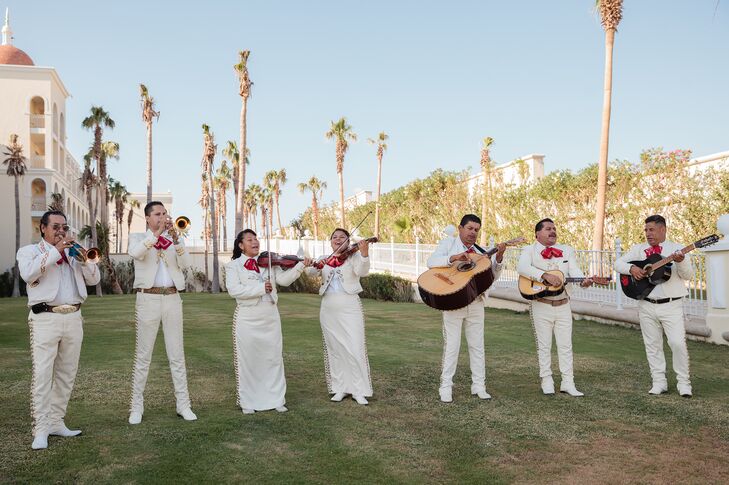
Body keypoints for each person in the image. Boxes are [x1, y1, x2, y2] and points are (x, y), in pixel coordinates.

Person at [17, 210, 100, 450]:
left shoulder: (74, 253)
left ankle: (56, 421)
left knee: (67, 373)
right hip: (45, 318)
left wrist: (84, 259)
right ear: (43, 228)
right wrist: (57, 251)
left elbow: (94, 280)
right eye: (55, 226)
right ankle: (41, 428)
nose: (61, 231)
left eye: (64, 226)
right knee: (43, 374)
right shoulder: (29, 252)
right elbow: (28, 274)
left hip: (74, 317)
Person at [225, 229, 312, 413]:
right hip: (248, 317)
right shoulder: (233, 266)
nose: (255, 242)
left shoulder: (269, 262)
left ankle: (276, 399)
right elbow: (234, 290)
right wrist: (260, 288)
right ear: (241, 245)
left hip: (270, 316)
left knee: (273, 358)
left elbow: (284, 280)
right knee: (249, 360)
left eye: (256, 239)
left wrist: (300, 266)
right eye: (250, 240)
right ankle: (248, 402)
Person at [127, 201, 196, 424]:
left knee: (177, 355)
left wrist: (176, 241)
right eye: (157, 214)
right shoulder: (139, 238)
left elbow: (186, 264)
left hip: (173, 298)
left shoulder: (173, 239)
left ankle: (183, 405)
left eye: (164, 213)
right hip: (148, 298)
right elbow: (136, 254)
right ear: (147, 218)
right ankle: (136, 407)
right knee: (143, 356)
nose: (162, 217)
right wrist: (155, 235)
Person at [426, 214, 505, 403]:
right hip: (453, 302)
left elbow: (493, 276)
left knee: (477, 346)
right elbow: (431, 262)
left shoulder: (481, 251)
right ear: (460, 228)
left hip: (476, 303)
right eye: (470, 228)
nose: (473, 233)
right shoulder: (448, 244)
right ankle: (446, 386)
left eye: (476, 230)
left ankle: (479, 386)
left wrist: (499, 258)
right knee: (452, 346)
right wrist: (453, 258)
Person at [615, 214, 694, 397]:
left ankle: (684, 383)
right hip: (646, 303)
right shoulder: (638, 249)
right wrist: (632, 269)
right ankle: (659, 382)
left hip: (671, 305)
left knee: (677, 343)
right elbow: (618, 263)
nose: (648, 234)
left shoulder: (676, 249)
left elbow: (687, 275)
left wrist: (680, 262)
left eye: (651, 229)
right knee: (652, 344)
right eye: (646, 230)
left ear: (662, 229)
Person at [516, 218, 593, 397]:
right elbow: (522, 267)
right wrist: (544, 275)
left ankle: (568, 382)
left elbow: (575, 272)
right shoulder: (529, 250)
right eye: (548, 229)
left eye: (554, 229)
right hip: (541, 304)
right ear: (537, 233)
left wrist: (584, 281)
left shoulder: (567, 250)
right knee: (544, 345)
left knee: (566, 346)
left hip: (563, 304)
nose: (553, 232)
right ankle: (547, 380)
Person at [306, 228, 373, 405]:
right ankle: (340, 387)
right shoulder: (325, 258)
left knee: (354, 347)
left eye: (342, 237)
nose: (337, 239)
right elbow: (310, 273)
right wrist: (314, 265)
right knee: (335, 349)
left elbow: (362, 271)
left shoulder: (354, 256)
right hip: (328, 307)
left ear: (348, 241)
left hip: (349, 305)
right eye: (334, 237)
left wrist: (365, 254)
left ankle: (359, 390)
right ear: (330, 241)